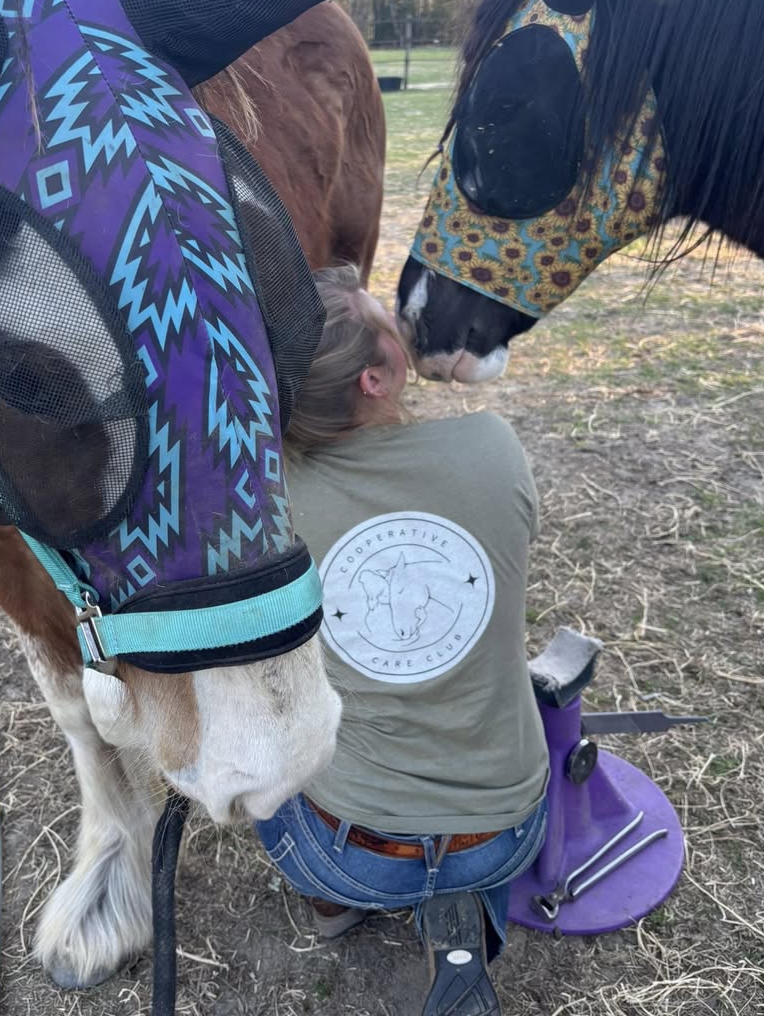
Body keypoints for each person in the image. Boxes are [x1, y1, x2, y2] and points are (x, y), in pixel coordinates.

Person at [255, 265, 549, 1016]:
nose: (397, 316)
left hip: (344, 850)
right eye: (383, 315)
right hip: (504, 832)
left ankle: (332, 906)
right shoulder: (492, 448)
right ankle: (464, 905)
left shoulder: (265, 503)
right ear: (378, 378)